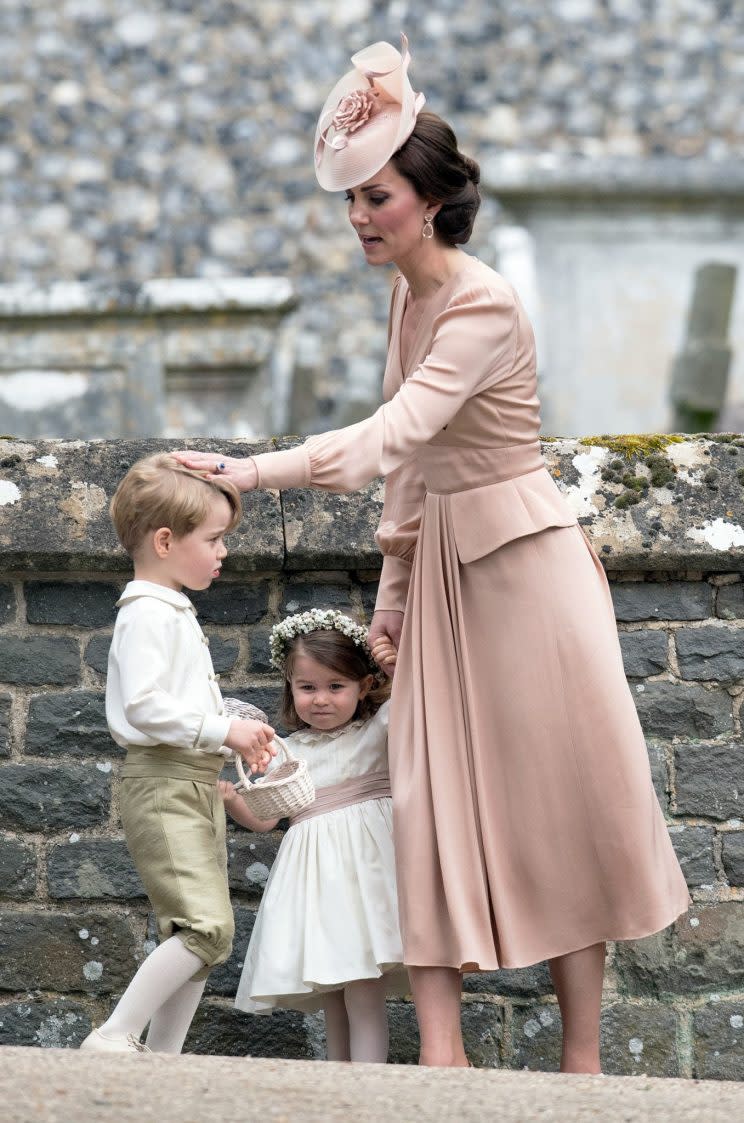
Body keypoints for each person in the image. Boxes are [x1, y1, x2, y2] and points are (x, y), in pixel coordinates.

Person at [175, 36, 689, 1072]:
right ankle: (442, 1063)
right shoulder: (408, 296)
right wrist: (395, 603)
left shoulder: (483, 301)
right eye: (352, 200)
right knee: (430, 803)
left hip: (527, 574)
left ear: (432, 201)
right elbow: (412, 484)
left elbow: (389, 437)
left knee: (560, 803)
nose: (362, 218)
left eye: (378, 199)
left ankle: (583, 1065)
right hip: (447, 575)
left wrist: (254, 471)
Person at [79, 452, 276, 1055]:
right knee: (205, 928)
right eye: (214, 539)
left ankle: (163, 1056)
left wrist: (231, 721)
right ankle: (113, 1035)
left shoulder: (168, 609)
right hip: (165, 785)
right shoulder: (146, 615)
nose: (223, 553)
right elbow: (142, 707)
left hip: (189, 783)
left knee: (203, 934)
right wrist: (221, 731)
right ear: (165, 540)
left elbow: (171, 700)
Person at [222, 610, 406, 1063]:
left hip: (367, 878)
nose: (320, 699)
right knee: (333, 996)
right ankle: (338, 1086)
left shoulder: (376, 730)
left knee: (363, 988)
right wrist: (230, 798)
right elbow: (267, 818)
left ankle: (369, 1090)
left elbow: (414, 699)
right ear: (291, 688)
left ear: (363, 686)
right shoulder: (289, 749)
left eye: (335, 686)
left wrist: (395, 668)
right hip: (318, 887)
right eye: (307, 688)